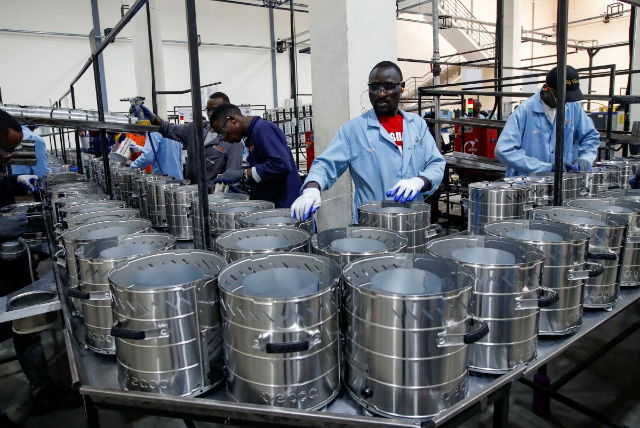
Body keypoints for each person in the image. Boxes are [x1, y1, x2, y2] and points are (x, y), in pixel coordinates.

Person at [0, 110, 81, 426]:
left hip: (9, 257)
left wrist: (16, 179)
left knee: (24, 320)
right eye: (6, 148)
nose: (9, 156)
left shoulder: (3, 162)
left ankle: (42, 390)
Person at [291, 61, 446, 222]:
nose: (381, 93)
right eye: (375, 87)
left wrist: (420, 181)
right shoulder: (354, 130)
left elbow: (436, 163)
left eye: (389, 86)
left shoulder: (417, 125)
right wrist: (311, 189)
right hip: (372, 226)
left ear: (402, 87)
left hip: (413, 224)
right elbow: (325, 165)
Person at [494, 65, 600, 177]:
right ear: (547, 89)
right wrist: (546, 167)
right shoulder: (524, 112)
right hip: (526, 183)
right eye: (562, 97)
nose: (565, 102)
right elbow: (504, 151)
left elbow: (590, 136)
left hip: (560, 181)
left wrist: (585, 158)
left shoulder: (573, 106)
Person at [134, 92, 243, 190]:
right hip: (191, 193)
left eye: (214, 109)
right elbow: (170, 129)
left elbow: (232, 178)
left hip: (213, 199)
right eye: (208, 110)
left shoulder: (233, 141)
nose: (210, 113)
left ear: (225, 109)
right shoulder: (196, 129)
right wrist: (153, 118)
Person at [209, 103, 301, 208]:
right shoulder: (252, 134)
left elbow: (281, 165)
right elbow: (265, 170)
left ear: (233, 120)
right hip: (272, 202)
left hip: (284, 207)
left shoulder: (263, 129)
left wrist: (244, 174)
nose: (224, 138)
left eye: (222, 132)